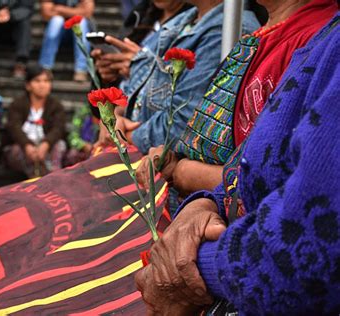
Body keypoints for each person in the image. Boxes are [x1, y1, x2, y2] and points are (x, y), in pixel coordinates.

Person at [135, 13, 340, 315]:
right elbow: (252, 162)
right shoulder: (322, 36)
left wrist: (188, 269)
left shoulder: (310, 32)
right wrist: (205, 204)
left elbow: (309, 246)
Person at [136, 0, 337, 202]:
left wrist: (185, 173)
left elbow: (274, 180)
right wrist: (174, 159)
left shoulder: (318, 40)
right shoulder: (269, 33)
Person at [92, 0, 260, 155]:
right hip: (143, 157)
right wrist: (114, 118)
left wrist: (124, 134)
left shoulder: (225, 32)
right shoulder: (184, 21)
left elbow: (184, 124)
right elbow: (135, 92)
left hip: (158, 166)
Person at [5, 65, 67, 178]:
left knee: (59, 145)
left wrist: (45, 144)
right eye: (37, 81)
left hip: (46, 147)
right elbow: (14, 127)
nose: (42, 85)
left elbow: (58, 128)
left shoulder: (56, 106)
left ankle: (50, 179)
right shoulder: (17, 104)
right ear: (28, 85)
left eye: (46, 81)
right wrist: (27, 145)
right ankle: (39, 181)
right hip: (24, 148)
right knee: (16, 151)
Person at [38, 0, 95, 82]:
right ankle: (45, 68)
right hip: (59, 31)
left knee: (80, 21)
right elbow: (46, 13)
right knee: (56, 20)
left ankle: (81, 70)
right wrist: (77, 11)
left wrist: (60, 9)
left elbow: (88, 12)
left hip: (77, 30)